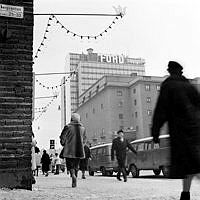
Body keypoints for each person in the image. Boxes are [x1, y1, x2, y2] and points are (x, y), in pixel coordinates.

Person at [151, 61, 200, 200]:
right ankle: (185, 194)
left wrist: (155, 132)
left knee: (191, 164)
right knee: (190, 165)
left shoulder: (168, 86)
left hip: (181, 133)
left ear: (170, 71)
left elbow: (160, 111)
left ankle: (185, 194)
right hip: (196, 131)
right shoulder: (188, 85)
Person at [60, 113, 86, 188]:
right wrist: (82, 145)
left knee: (70, 165)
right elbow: (84, 139)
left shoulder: (68, 127)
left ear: (71, 119)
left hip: (69, 149)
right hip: (79, 150)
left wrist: (63, 143)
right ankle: (75, 176)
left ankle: (73, 175)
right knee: (76, 165)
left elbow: (63, 137)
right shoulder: (82, 128)